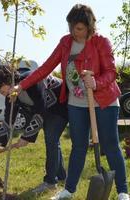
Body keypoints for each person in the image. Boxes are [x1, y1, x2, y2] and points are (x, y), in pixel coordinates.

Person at [10, 4, 129, 200]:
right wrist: (21, 85)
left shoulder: (101, 42)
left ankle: (123, 191)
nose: (75, 32)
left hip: (104, 100)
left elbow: (111, 72)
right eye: (72, 27)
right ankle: (69, 190)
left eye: (80, 28)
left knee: (110, 144)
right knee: (78, 146)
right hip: (76, 103)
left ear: (90, 26)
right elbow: (46, 67)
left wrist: (96, 82)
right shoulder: (66, 43)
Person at [0, 65, 69, 193]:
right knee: (53, 141)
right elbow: (8, 121)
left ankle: (50, 182)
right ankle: (61, 176)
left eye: (1, 91)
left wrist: (26, 137)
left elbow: (41, 108)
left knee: (51, 139)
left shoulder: (32, 80)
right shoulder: (11, 94)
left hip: (60, 105)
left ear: (7, 81)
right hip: (47, 110)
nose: (2, 95)